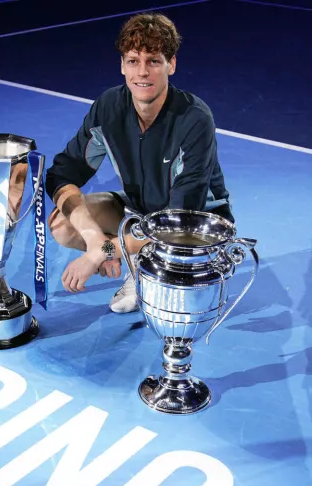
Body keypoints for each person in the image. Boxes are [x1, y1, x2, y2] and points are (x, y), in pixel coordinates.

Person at [45, 12, 233, 313]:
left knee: (174, 244)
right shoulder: (108, 107)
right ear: (122, 66)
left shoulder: (194, 119)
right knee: (62, 224)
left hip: (194, 227)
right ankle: (136, 260)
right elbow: (63, 173)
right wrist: (95, 240)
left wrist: (101, 253)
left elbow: (177, 219)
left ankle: (140, 265)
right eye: (133, 61)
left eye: (153, 61)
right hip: (140, 214)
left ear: (171, 64)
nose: (142, 72)